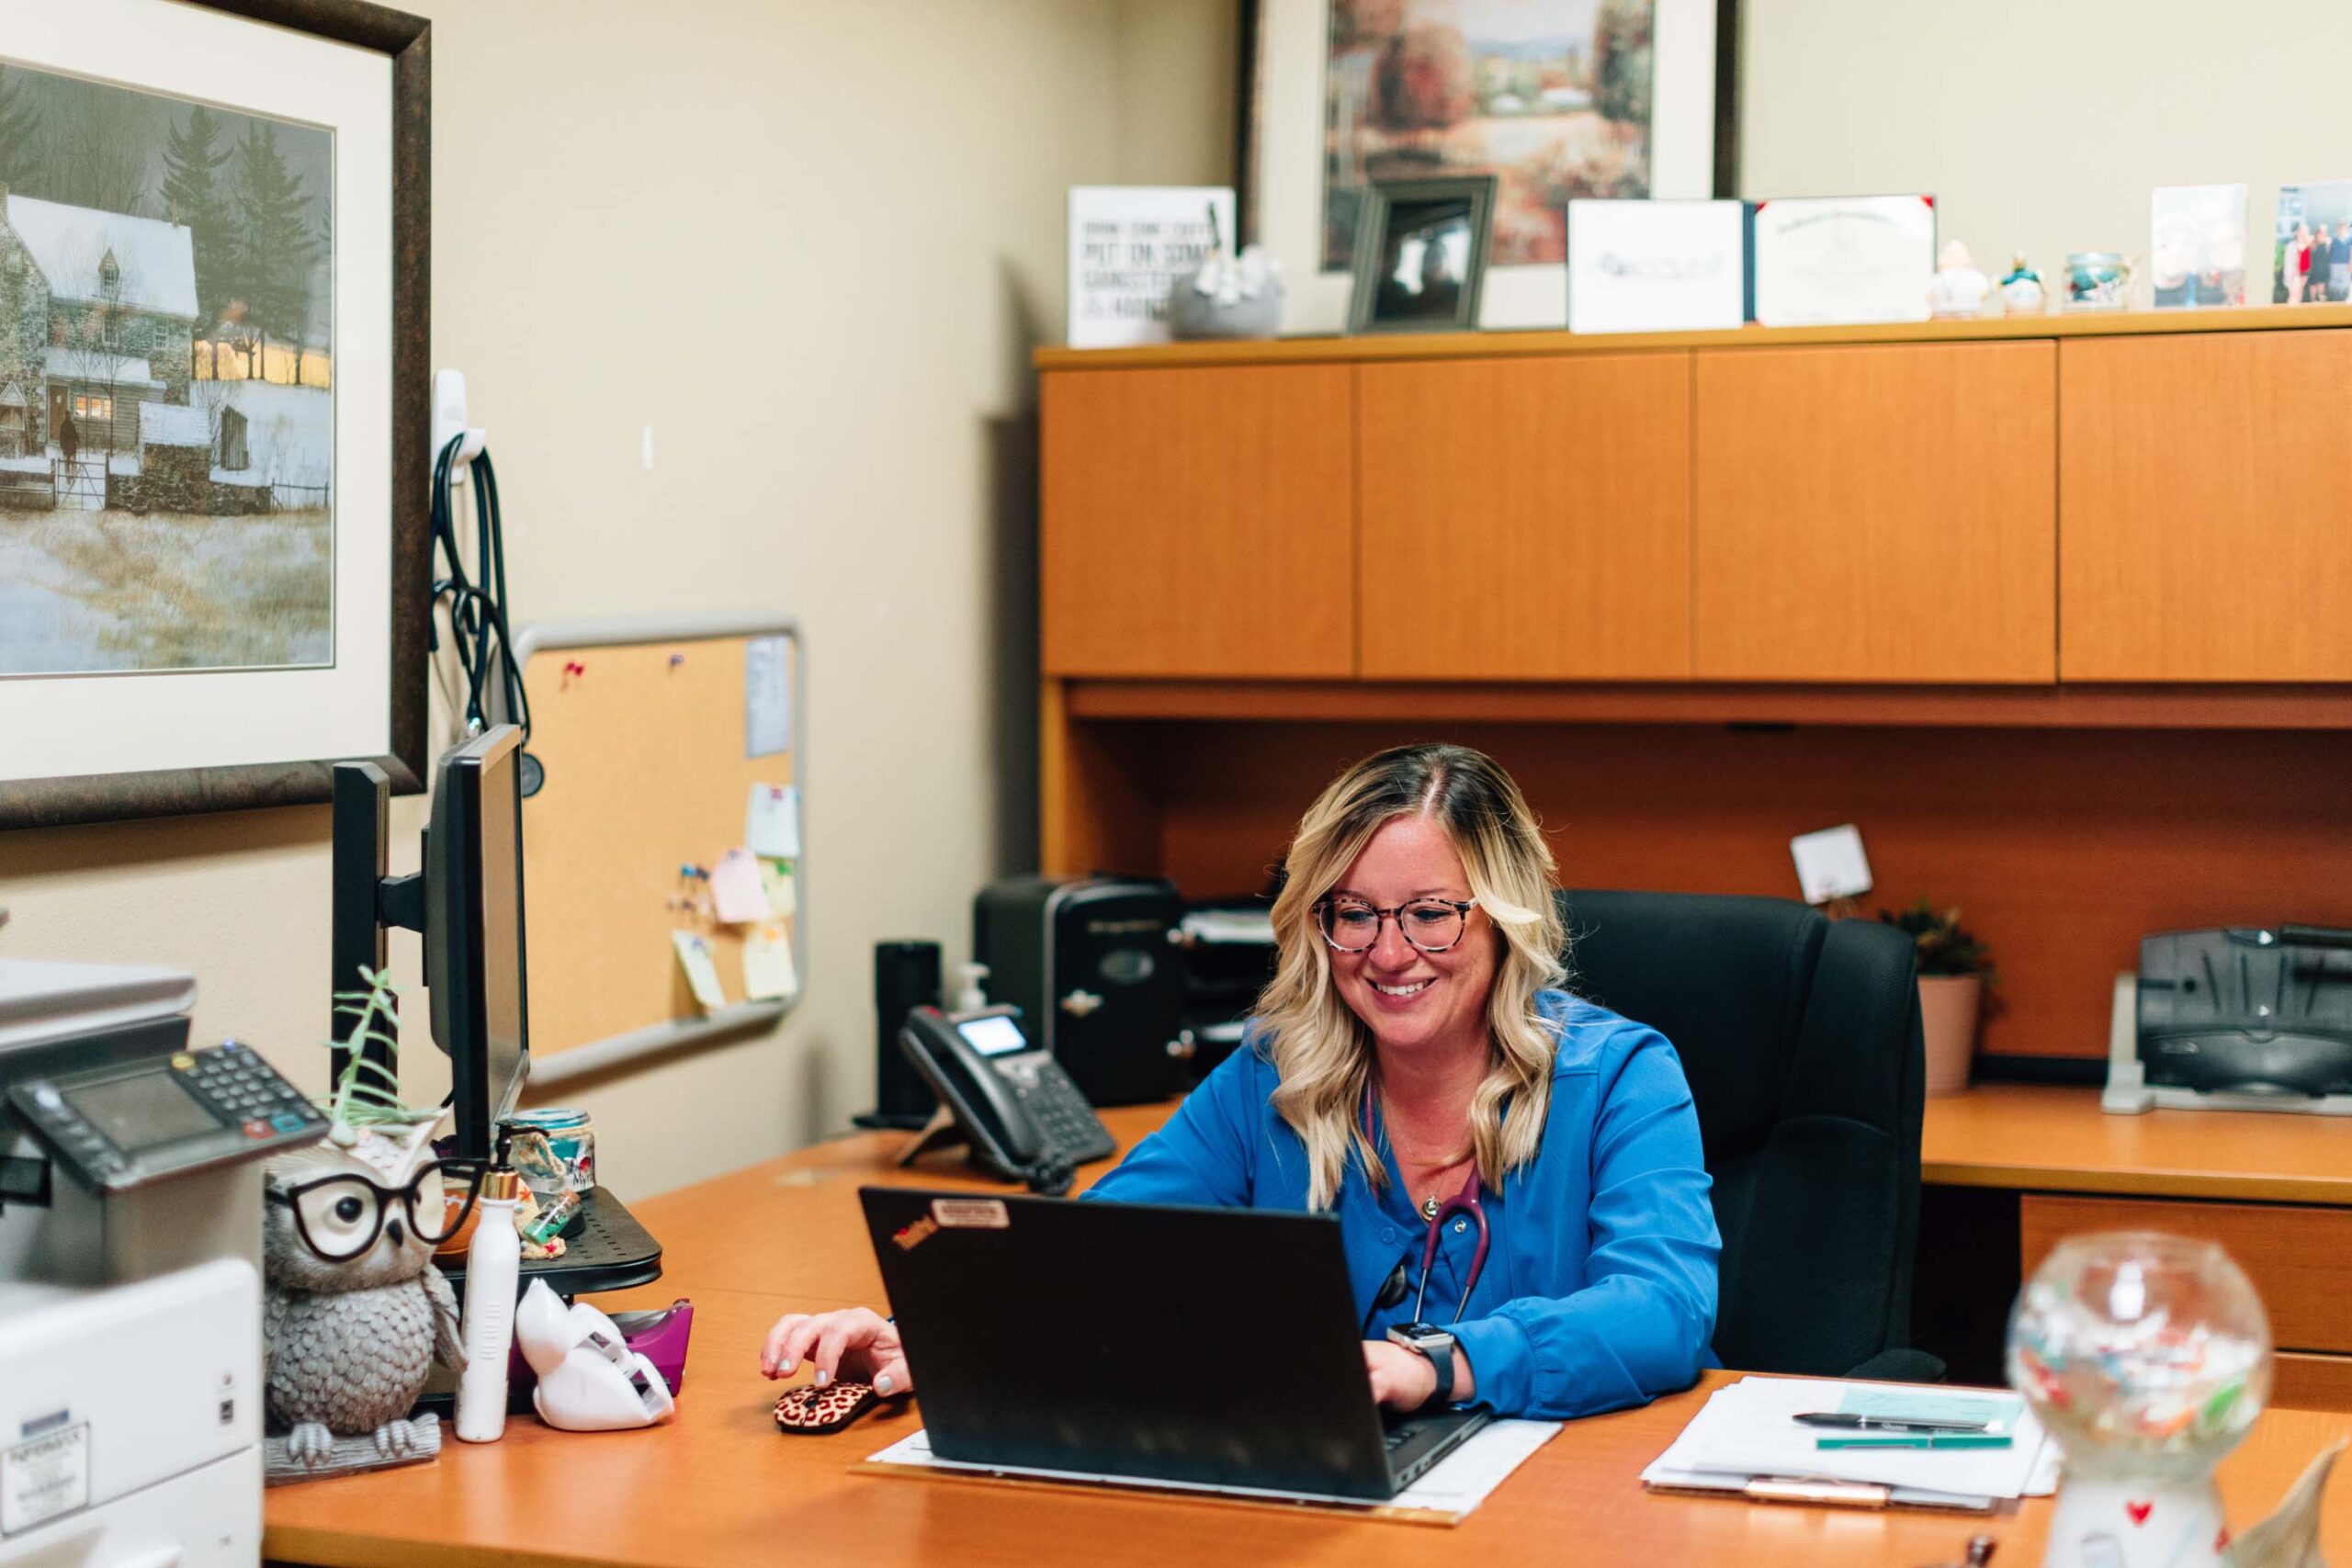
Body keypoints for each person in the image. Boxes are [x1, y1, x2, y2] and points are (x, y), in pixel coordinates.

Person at [761, 744, 1722, 1422]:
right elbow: (1104, 1245)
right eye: (1352, 914)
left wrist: (1441, 1364)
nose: (1390, 954)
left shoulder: (1620, 1079)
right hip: (1342, 1504)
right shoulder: (1278, 1075)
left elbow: (1662, 1310)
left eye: (1431, 914)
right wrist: (922, 1329)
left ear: (1503, 921)